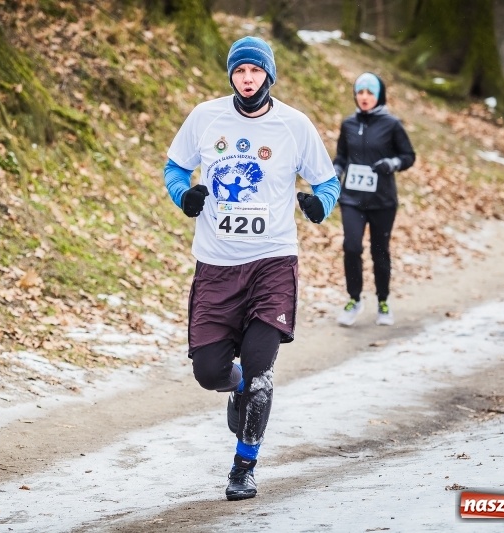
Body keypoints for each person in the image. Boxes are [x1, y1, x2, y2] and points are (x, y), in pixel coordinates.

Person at [164, 36, 340, 501]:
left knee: (262, 369)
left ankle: (244, 466)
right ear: (231, 76)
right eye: (240, 71)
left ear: (269, 75)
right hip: (216, 266)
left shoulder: (294, 125)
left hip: (272, 264)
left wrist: (319, 205)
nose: (247, 79)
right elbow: (175, 168)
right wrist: (185, 195)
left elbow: (327, 180)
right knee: (208, 371)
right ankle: (234, 386)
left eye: (255, 71)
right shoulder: (205, 117)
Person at [332, 72, 416, 327]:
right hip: (352, 199)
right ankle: (354, 298)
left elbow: (408, 156)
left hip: (382, 201)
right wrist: (335, 173)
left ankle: (383, 300)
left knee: (379, 252)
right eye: (360, 92)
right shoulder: (348, 124)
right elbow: (341, 158)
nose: (364, 97)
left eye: (370, 92)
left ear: (379, 95)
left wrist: (392, 163)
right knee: (352, 247)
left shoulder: (392, 124)